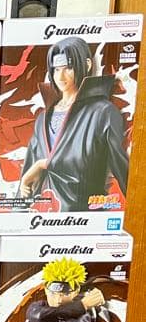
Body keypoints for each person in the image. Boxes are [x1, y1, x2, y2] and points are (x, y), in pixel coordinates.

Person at [18, 36, 129, 210]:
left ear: (87, 64)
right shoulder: (42, 118)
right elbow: (27, 178)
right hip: (41, 214)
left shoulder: (103, 112)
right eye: (56, 69)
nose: (60, 76)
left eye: (68, 68)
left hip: (83, 212)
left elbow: (109, 166)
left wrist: (43, 164)